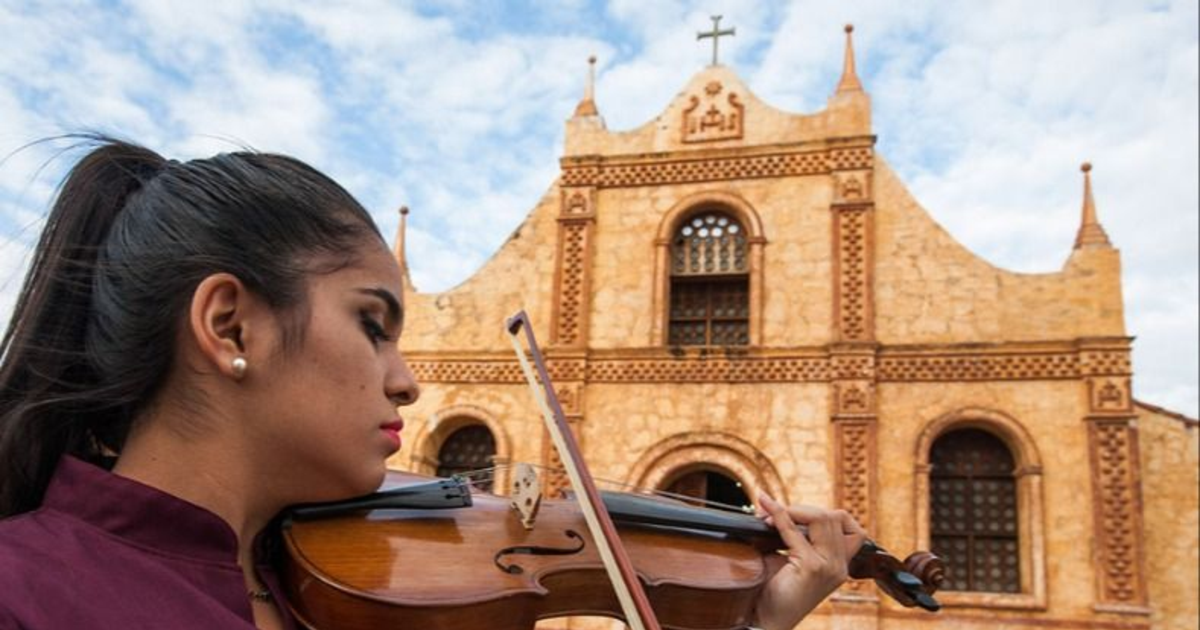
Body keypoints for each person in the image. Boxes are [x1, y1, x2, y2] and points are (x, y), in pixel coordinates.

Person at [0, 139, 865, 630]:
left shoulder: (321, 590)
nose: (409, 384)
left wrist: (759, 621)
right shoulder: (28, 595)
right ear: (231, 326)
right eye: (373, 325)